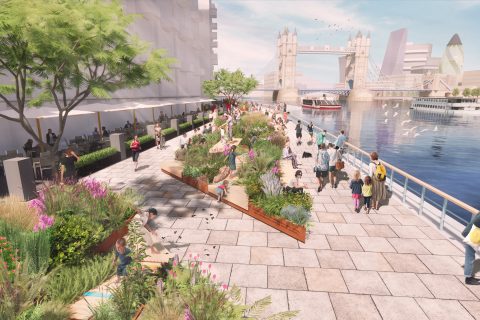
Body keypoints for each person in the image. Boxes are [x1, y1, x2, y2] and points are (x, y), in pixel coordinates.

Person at [462, 214, 480, 285]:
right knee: (470, 257)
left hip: (472, 234)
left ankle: (469, 277)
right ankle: (468, 279)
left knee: (470, 256)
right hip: (473, 236)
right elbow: (477, 222)